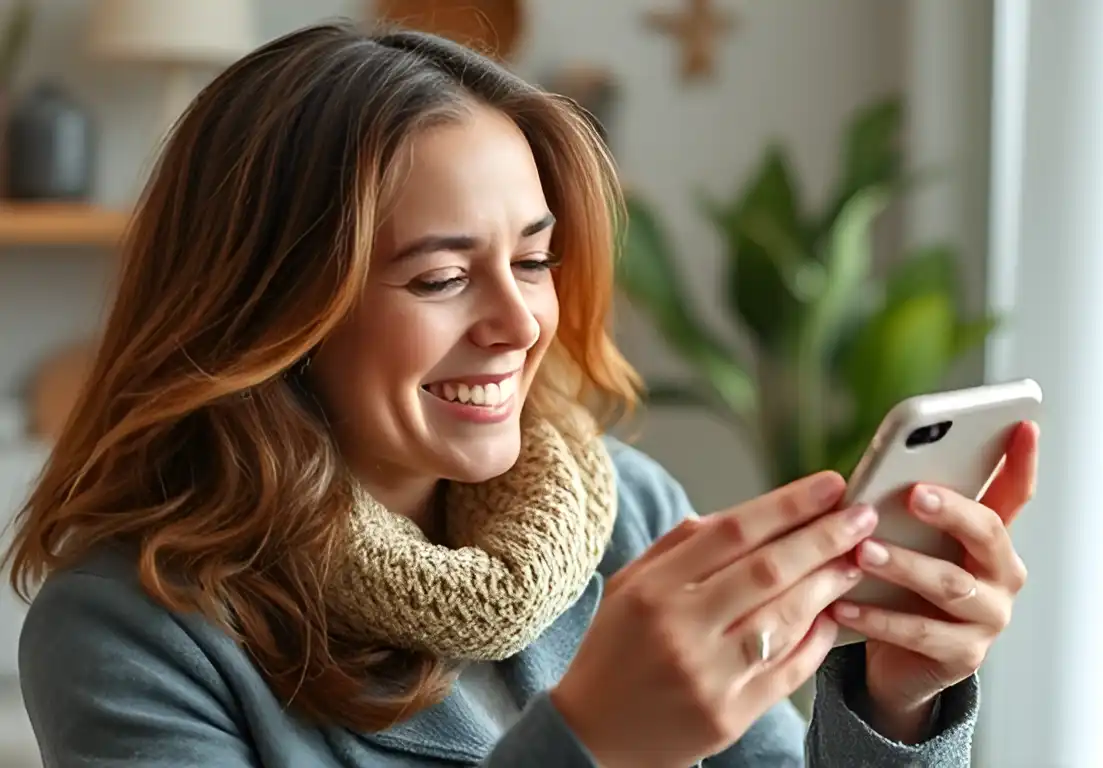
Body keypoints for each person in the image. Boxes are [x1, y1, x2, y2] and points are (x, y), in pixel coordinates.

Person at [4, 21, 1037, 768]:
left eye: (534, 261)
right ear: (272, 312)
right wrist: (590, 747)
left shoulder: (624, 510)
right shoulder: (127, 630)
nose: (518, 323)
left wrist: (900, 706)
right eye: (442, 277)